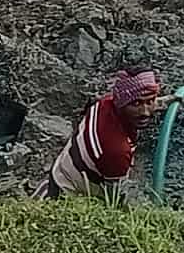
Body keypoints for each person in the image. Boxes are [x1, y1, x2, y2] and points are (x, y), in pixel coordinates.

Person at [35, 68, 166, 202]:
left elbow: (140, 101)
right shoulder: (116, 149)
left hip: (59, 173)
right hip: (66, 197)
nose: (145, 112)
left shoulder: (104, 104)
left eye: (150, 101)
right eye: (136, 104)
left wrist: (166, 102)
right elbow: (116, 197)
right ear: (121, 104)